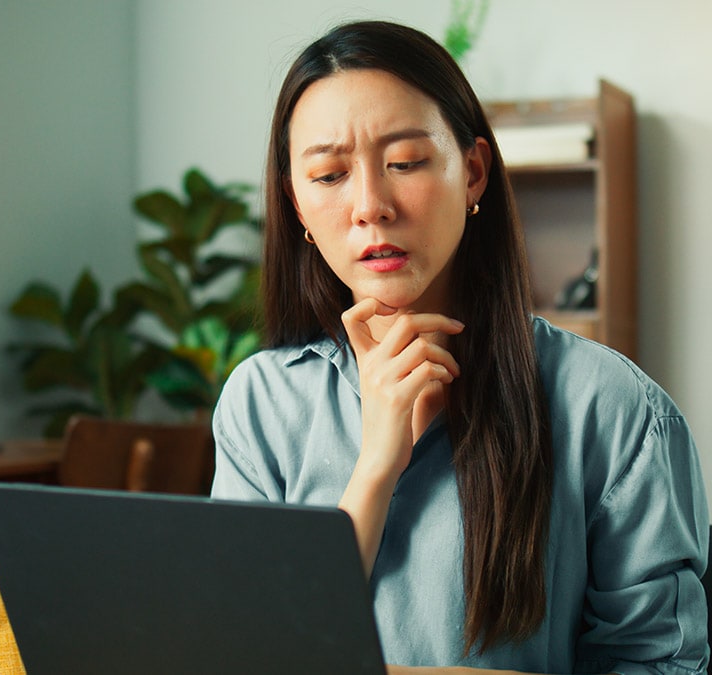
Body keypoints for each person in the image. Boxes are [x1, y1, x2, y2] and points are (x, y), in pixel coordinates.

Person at [210, 19, 709, 674]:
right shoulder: (262, 403)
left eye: (406, 162)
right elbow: (247, 652)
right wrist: (376, 464)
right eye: (329, 175)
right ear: (295, 206)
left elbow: (663, 664)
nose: (370, 205)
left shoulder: (613, 408)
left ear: (473, 173)